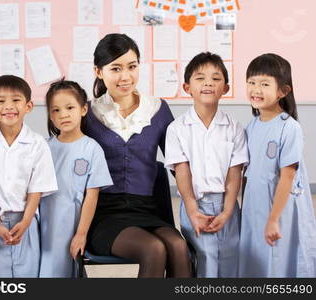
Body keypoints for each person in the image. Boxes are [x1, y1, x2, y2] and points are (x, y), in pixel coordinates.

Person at [85, 33, 191, 278]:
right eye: (116, 68)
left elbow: (179, 163)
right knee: (153, 249)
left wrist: (197, 207)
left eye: (132, 67)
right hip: (104, 214)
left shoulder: (157, 109)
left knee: (177, 246)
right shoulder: (88, 113)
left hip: (147, 210)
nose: (126, 76)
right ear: (99, 72)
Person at [164, 52, 248, 277]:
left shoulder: (234, 127)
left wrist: (228, 210)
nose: (208, 83)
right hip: (195, 205)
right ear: (187, 86)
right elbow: (182, 171)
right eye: (200, 78)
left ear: (226, 89)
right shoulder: (177, 129)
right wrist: (192, 209)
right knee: (205, 260)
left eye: (216, 78)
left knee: (232, 256)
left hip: (227, 205)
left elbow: (235, 173)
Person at [0, 75, 58, 277]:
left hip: (27, 221)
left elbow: (37, 189)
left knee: (28, 272)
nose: (9, 106)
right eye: (0, 101)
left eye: (16, 100)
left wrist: (25, 222)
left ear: (29, 106)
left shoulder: (37, 144)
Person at [239, 53, 316, 277]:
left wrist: (273, 219)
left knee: (281, 262)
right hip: (255, 206)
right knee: (258, 260)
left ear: (283, 91)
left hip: (281, 210)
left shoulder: (289, 128)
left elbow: (287, 176)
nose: (256, 89)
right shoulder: (251, 127)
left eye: (265, 84)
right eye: (251, 83)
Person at [39, 79, 113, 277]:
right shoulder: (43, 148)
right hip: (44, 220)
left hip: (73, 222)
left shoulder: (92, 149)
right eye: (56, 110)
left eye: (69, 107)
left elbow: (92, 196)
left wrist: (81, 234)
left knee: (67, 268)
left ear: (83, 109)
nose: (63, 114)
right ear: (50, 116)